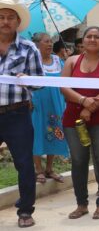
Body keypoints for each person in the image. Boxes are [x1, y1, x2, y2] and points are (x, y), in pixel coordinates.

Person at [60, 26, 99, 220]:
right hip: (73, 119)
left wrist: (90, 107)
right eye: (89, 36)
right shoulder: (71, 61)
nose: (92, 39)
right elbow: (64, 87)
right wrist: (82, 101)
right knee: (78, 161)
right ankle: (81, 204)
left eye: (97, 37)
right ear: (82, 41)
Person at [0, 0, 44, 227]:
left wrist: (28, 80)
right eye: (1, 17)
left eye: (10, 18)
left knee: (24, 163)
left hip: (17, 114)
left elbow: (39, 83)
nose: (5, 22)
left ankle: (25, 211)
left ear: (18, 22)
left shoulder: (28, 48)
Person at [30, 32, 68, 184]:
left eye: (51, 41)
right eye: (46, 41)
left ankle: (50, 168)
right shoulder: (32, 61)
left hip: (57, 102)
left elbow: (67, 78)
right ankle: (38, 169)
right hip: (38, 102)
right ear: (37, 44)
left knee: (55, 131)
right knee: (37, 133)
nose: (50, 44)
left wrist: (69, 60)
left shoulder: (58, 61)